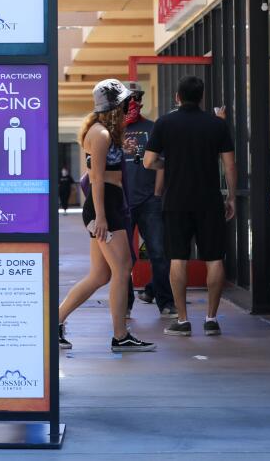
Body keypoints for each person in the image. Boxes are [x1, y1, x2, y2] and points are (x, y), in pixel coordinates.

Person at [57, 78, 156, 353]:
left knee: (100, 275)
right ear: (116, 105)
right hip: (106, 207)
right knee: (122, 270)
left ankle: (55, 321)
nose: (131, 105)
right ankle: (120, 335)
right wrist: (100, 217)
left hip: (110, 204)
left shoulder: (105, 133)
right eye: (126, 101)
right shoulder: (100, 134)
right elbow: (96, 179)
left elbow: (94, 174)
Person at [143, 76, 237, 336]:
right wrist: (230, 197)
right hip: (209, 200)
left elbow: (149, 161)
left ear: (177, 97)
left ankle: (183, 320)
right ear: (201, 97)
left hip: (176, 201)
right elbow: (229, 165)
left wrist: (168, 165)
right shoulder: (216, 125)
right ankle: (211, 318)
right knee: (214, 258)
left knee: (178, 258)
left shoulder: (164, 123)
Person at [123, 81, 174, 317]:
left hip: (149, 201)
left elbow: (162, 162)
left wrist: (157, 193)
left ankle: (165, 302)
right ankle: (125, 304)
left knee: (158, 252)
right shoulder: (111, 130)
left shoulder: (153, 128)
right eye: (128, 98)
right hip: (121, 201)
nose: (132, 102)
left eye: (136, 97)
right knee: (123, 257)